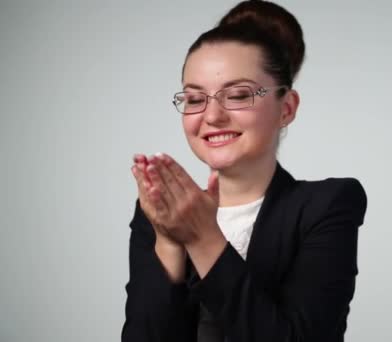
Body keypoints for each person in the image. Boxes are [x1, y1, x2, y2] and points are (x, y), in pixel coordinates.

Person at [121, 1, 367, 341]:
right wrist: (168, 240)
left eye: (237, 95)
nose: (212, 116)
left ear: (287, 108)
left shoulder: (326, 205)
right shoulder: (161, 211)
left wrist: (203, 238)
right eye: (194, 99)